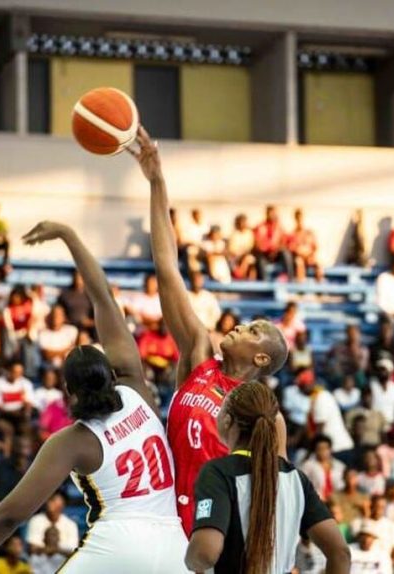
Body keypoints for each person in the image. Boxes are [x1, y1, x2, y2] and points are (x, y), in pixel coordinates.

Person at [0, 219, 190, 573]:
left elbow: (9, 516)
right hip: (174, 545)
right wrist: (70, 235)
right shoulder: (137, 389)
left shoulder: (73, 441)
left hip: (118, 544)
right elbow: (103, 297)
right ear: (111, 373)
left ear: (68, 393)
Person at [128, 127, 290, 535]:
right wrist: (157, 182)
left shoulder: (265, 417)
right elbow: (167, 268)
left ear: (261, 358)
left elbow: (277, 498)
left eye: (252, 330)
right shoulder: (201, 355)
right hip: (164, 525)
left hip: (220, 538)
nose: (238, 325)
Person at [185, 382, 350, 574]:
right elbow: (340, 553)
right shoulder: (296, 478)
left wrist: (189, 560)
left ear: (227, 420)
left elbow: (204, 554)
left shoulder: (218, 472)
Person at [25, 492, 79, 558]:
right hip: (40, 563)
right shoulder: (36, 520)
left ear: (62, 505)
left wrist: (52, 550)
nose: (49, 503)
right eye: (49, 500)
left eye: (53, 500)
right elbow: (33, 548)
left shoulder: (71, 525)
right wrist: (58, 550)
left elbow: (73, 551)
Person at [300, 434, 347, 502]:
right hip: (317, 500)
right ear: (315, 450)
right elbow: (303, 484)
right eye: (319, 449)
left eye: (325, 448)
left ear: (330, 449)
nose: (322, 451)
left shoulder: (340, 466)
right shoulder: (308, 465)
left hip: (338, 501)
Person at [253, 205, 294, 281]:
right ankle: (264, 283)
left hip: (276, 254)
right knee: (260, 259)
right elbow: (258, 243)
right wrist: (270, 248)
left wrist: (277, 249)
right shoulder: (261, 227)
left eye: (274, 213)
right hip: (265, 254)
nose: (273, 215)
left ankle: (290, 279)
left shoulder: (279, 227)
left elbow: (284, 240)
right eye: (271, 213)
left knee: (286, 253)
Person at [289, 208, 323, 282]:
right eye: (298, 218)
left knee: (319, 264)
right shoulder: (293, 234)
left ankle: (320, 286)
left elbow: (315, 246)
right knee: (299, 262)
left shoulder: (309, 232)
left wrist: (310, 254)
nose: (299, 221)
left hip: (309, 256)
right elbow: (293, 249)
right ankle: (301, 287)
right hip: (300, 258)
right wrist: (302, 253)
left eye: (300, 218)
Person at [370, 359, 394, 427]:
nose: (381, 372)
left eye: (384, 370)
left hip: (391, 424)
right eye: (380, 370)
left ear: (390, 372)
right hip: (374, 424)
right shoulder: (371, 386)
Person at [228, 214, 257, 280]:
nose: (243, 224)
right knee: (246, 259)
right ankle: (240, 276)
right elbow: (232, 250)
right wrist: (241, 253)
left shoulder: (249, 233)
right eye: (241, 222)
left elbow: (251, 246)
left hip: (247, 255)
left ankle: (251, 280)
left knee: (250, 259)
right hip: (236, 257)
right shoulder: (234, 235)